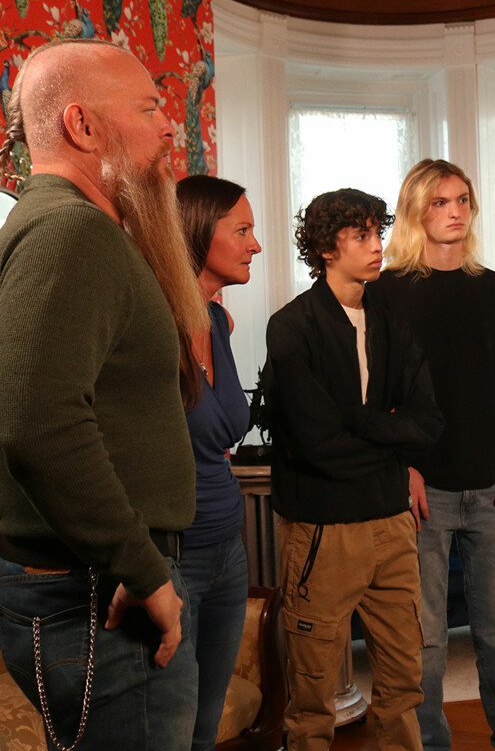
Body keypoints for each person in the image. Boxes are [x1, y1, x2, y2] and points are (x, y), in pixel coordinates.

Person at [0, 39, 208, 750]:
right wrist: (142, 569)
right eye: (149, 109)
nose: (168, 127)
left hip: (97, 584)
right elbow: (38, 423)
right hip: (98, 597)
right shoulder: (70, 231)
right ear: (83, 126)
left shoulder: (71, 227)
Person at [262, 188, 444, 751]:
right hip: (323, 528)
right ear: (326, 248)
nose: (377, 245)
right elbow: (316, 446)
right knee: (312, 696)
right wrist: (387, 433)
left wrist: (357, 421)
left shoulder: (390, 321)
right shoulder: (292, 326)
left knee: (404, 682)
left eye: (377, 233)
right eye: (361, 235)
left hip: (392, 522)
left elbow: (428, 423)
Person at [369, 158, 495, 751]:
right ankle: (431, 744)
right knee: (427, 639)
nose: (455, 211)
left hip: (491, 488)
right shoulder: (386, 292)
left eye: (462, 200)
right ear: (417, 210)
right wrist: (404, 467)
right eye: (440, 202)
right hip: (423, 493)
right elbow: (377, 395)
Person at [175, 174, 261, 751]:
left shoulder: (218, 322)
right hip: (172, 556)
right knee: (169, 729)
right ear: (200, 232)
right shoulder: (154, 323)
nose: (256, 245)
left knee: (203, 730)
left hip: (228, 548)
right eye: (243, 231)